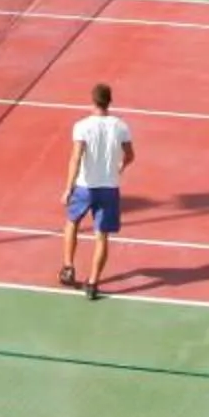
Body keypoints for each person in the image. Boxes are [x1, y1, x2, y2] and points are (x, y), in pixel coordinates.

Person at [58, 81, 134, 301]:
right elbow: (130, 155)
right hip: (109, 189)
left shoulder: (82, 126)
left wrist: (68, 188)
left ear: (93, 100)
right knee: (102, 236)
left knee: (72, 223)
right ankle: (92, 283)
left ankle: (68, 267)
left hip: (84, 187)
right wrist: (120, 166)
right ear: (109, 101)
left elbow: (76, 157)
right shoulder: (121, 126)